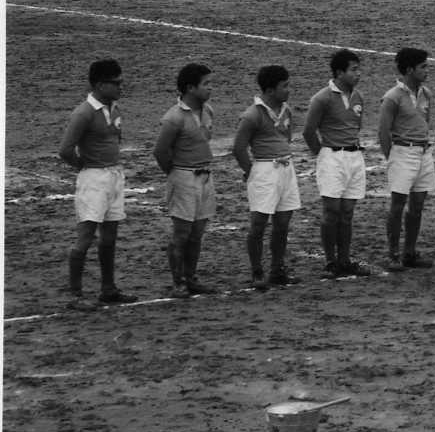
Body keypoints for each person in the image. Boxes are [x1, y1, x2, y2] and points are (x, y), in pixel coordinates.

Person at [59, 58, 137, 308]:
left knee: (109, 236)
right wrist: (83, 166)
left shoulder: (113, 107)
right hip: (94, 178)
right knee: (85, 237)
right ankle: (75, 295)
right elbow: (65, 150)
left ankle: (108, 289)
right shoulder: (83, 113)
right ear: (100, 84)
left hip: (113, 175)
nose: (121, 87)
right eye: (116, 83)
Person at [232, 64, 301, 291]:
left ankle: (277, 270)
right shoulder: (252, 115)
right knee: (259, 224)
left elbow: (286, 139)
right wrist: (251, 172)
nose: (289, 90)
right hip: (264, 169)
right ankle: (257, 271)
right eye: (285, 86)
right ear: (270, 90)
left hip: (285, 168)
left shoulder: (286, 111)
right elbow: (239, 148)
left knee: (282, 224)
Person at [303, 48, 370, 277]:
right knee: (332, 211)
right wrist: (321, 154)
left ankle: (345, 259)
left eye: (358, 69)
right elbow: (309, 131)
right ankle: (331, 261)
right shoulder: (321, 98)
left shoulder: (358, 97)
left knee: (348, 212)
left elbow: (356, 126)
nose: (358, 74)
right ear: (339, 73)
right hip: (332, 156)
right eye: (353, 70)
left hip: (354, 156)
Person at [151, 61, 216, 297]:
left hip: (205, 176)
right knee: (181, 233)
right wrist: (176, 174)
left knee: (197, 232)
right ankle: (178, 281)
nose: (211, 88)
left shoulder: (208, 111)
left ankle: (191, 277)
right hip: (184, 176)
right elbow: (160, 151)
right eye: (206, 84)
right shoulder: (174, 118)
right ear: (190, 88)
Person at [375, 46, 435, 270]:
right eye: (423, 66)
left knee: (418, 204)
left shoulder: (425, 93)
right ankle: (393, 254)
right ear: (409, 70)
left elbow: (424, 121)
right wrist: (391, 158)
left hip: (423, 152)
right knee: (398, 205)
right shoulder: (392, 98)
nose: (426, 70)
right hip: (402, 153)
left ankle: (409, 252)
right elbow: (383, 132)